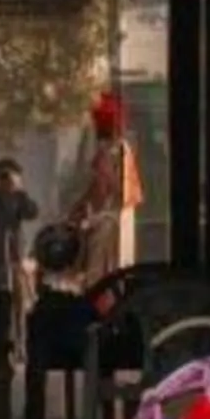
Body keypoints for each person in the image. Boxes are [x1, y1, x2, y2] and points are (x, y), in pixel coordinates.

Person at [66, 92, 144, 281]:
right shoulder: (125, 149)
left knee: (97, 273)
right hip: (123, 217)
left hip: (106, 219)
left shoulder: (106, 152)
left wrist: (82, 212)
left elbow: (101, 188)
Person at [0, 157, 42, 361]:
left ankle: (21, 345)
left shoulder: (19, 197)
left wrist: (20, 191)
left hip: (16, 255)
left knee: (19, 303)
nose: (5, 181)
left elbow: (33, 212)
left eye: (8, 176)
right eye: (2, 176)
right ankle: (0, 344)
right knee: (0, 300)